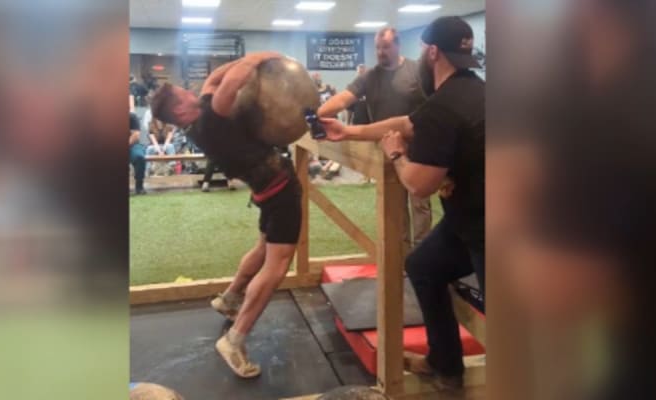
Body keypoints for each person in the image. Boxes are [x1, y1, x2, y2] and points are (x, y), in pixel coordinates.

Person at [320, 16, 484, 390]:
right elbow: (407, 122)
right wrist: (348, 130)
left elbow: (420, 185)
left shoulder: (446, 106)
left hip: (491, 229)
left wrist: (396, 155)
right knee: (422, 266)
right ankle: (446, 364)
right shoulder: (471, 90)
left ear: (431, 53)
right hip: (468, 221)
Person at [150, 51, 302, 379]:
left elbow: (213, 80)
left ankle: (231, 298)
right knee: (277, 264)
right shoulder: (210, 120)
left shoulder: (201, 115)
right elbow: (232, 79)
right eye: (184, 93)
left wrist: (238, 65)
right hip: (278, 191)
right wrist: (265, 56)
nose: (192, 93)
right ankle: (235, 339)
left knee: (264, 249)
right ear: (179, 108)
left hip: (265, 191)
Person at [318, 27, 432, 249]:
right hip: (386, 150)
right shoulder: (369, 77)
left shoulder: (417, 71)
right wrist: (316, 115)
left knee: (420, 205)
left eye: (386, 47)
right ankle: (402, 256)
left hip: (418, 149)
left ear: (397, 45)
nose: (381, 52)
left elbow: (435, 103)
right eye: (378, 47)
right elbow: (342, 99)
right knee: (394, 205)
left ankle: (422, 254)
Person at [129, 112, 147, 195]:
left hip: (132, 145)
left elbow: (136, 135)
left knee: (139, 157)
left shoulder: (131, 116)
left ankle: (139, 187)